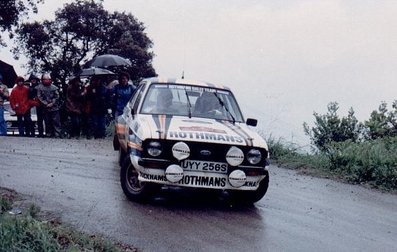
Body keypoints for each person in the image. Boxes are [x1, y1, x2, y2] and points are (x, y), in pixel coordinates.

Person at [37, 73, 62, 138]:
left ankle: (57, 134)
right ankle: (49, 133)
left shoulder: (54, 87)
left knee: (56, 121)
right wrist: (45, 103)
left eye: (48, 79)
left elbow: (57, 96)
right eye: (45, 79)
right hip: (45, 107)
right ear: (42, 80)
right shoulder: (39, 88)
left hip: (54, 107)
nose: (47, 81)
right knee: (47, 121)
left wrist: (52, 103)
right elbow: (39, 97)